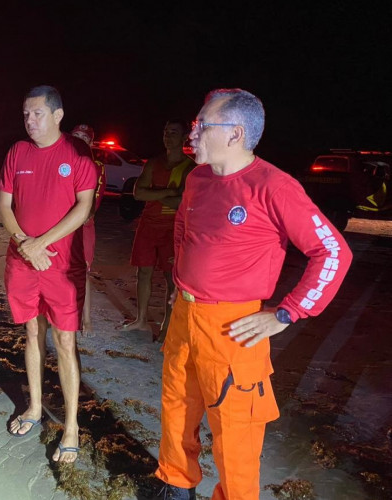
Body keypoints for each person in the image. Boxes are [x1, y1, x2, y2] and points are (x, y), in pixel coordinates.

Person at [155, 89, 352, 500]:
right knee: (177, 405)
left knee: (236, 431)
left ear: (235, 133)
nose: (193, 134)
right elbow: (184, 232)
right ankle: (176, 485)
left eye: (202, 125)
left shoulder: (274, 187)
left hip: (233, 330)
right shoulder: (197, 177)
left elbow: (332, 251)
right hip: (185, 318)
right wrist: (180, 283)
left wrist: (287, 312)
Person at [0, 86, 97, 463]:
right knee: (32, 332)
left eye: (37, 114)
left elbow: (83, 207)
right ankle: (35, 408)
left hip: (61, 263)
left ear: (58, 115)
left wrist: (42, 244)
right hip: (22, 259)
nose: (29, 121)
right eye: (25, 114)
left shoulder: (77, 152)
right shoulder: (17, 152)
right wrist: (24, 242)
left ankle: (71, 425)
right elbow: (4, 204)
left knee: (66, 342)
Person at [119, 120, 194, 341]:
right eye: (165, 131)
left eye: (174, 132)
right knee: (143, 272)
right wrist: (165, 194)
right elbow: (138, 193)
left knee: (171, 279)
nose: (168, 136)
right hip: (148, 225)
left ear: (184, 138)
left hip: (173, 228)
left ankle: (166, 326)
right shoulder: (153, 163)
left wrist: (154, 192)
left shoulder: (190, 168)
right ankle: (141, 320)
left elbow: (181, 202)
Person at [70, 124, 106, 336]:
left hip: (83, 226)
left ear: (91, 143)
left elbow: (92, 205)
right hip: (60, 226)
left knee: (84, 272)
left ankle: (86, 320)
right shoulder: (61, 161)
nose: (80, 140)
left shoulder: (97, 166)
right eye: (76, 136)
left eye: (84, 137)